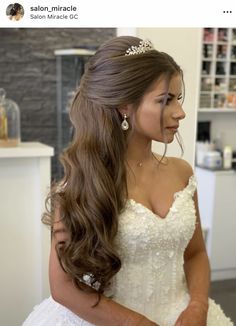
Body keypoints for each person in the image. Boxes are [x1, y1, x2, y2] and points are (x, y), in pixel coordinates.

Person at [23, 36, 233, 326]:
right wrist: (136, 323)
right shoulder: (81, 186)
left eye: (178, 99)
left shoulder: (182, 173)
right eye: (165, 100)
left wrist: (197, 306)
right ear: (124, 105)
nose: (180, 112)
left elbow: (195, 253)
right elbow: (64, 288)